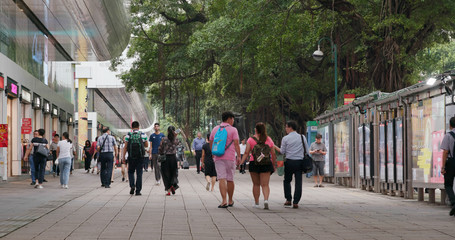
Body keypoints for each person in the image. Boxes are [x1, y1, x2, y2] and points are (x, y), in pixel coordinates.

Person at [240, 122, 276, 209]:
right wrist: (274, 164)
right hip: (266, 164)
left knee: (256, 184)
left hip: (254, 163)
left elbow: (246, 153)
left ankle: (256, 203)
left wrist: (241, 162)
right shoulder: (269, 139)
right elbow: (273, 153)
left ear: (255, 130)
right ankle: (266, 200)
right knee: (265, 184)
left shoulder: (250, 140)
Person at [209, 111, 241, 208]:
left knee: (221, 178)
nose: (233, 121)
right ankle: (230, 200)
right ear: (229, 119)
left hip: (218, 157)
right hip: (230, 158)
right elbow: (236, 143)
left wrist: (213, 153)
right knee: (230, 179)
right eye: (233, 119)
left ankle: (223, 201)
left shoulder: (215, 129)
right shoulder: (233, 130)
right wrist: (239, 156)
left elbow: (211, 141)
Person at [275, 120, 309, 209]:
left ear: (290, 127)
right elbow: (307, 151)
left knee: (287, 181)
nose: (285, 129)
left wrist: (274, 147)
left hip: (289, 162)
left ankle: (288, 199)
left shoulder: (285, 138)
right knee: (298, 182)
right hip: (299, 162)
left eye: (286, 127)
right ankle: (296, 202)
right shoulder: (302, 137)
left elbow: (282, 151)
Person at [122, 121, 148, 196]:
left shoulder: (128, 135)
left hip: (131, 156)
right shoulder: (142, 134)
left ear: (131, 127)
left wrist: (123, 157)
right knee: (139, 173)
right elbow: (146, 145)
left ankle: (132, 185)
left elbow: (126, 147)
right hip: (140, 157)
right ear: (138, 127)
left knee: (130, 171)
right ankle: (138, 191)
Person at [159, 126, 180, 196]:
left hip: (165, 159)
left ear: (167, 131)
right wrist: (175, 136)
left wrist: (161, 153)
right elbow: (177, 145)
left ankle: (168, 190)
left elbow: (160, 149)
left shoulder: (164, 139)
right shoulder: (176, 140)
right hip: (173, 159)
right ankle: (173, 185)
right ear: (174, 132)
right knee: (173, 173)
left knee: (165, 174)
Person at [440, 116, 455, 216]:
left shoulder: (448, 135)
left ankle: (454, 202)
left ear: (450, 125)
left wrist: (443, 166)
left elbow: (445, 151)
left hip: (451, 162)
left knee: (448, 184)